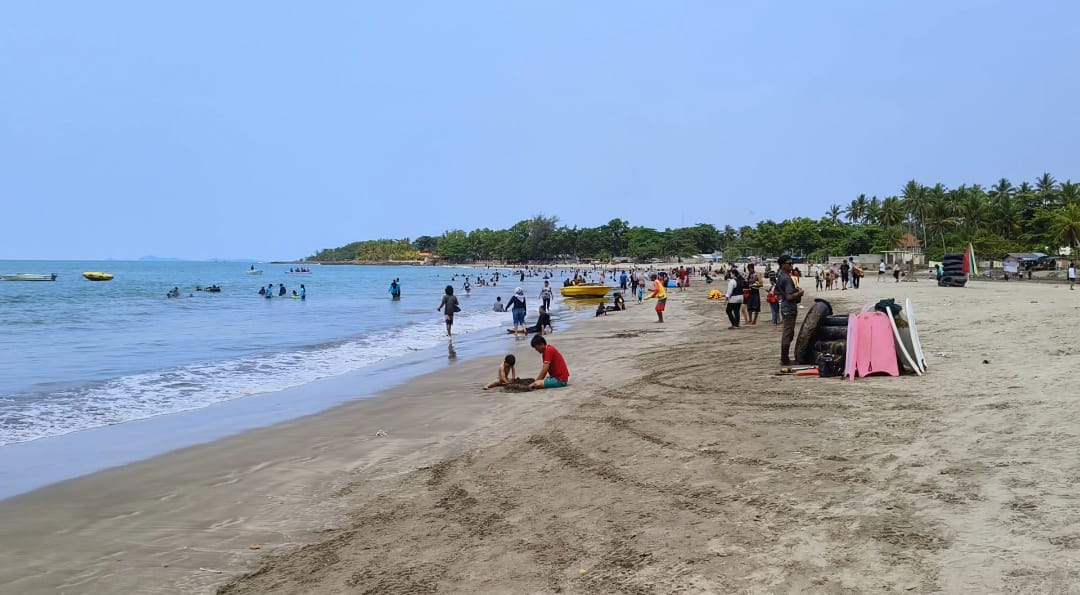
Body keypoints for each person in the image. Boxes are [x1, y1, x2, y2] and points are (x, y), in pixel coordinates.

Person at [776, 255, 805, 366]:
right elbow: (789, 297)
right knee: (788, 334)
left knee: (789, 333)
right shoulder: (787, 278)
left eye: (792, 263)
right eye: (789, 264)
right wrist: (799, 293)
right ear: (783, 265)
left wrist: (790, 292)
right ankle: (785, 359)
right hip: (789, 308)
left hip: (785, 307)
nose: (791, 266)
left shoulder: (780, 276)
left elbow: (777, 291)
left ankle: (785, 358)